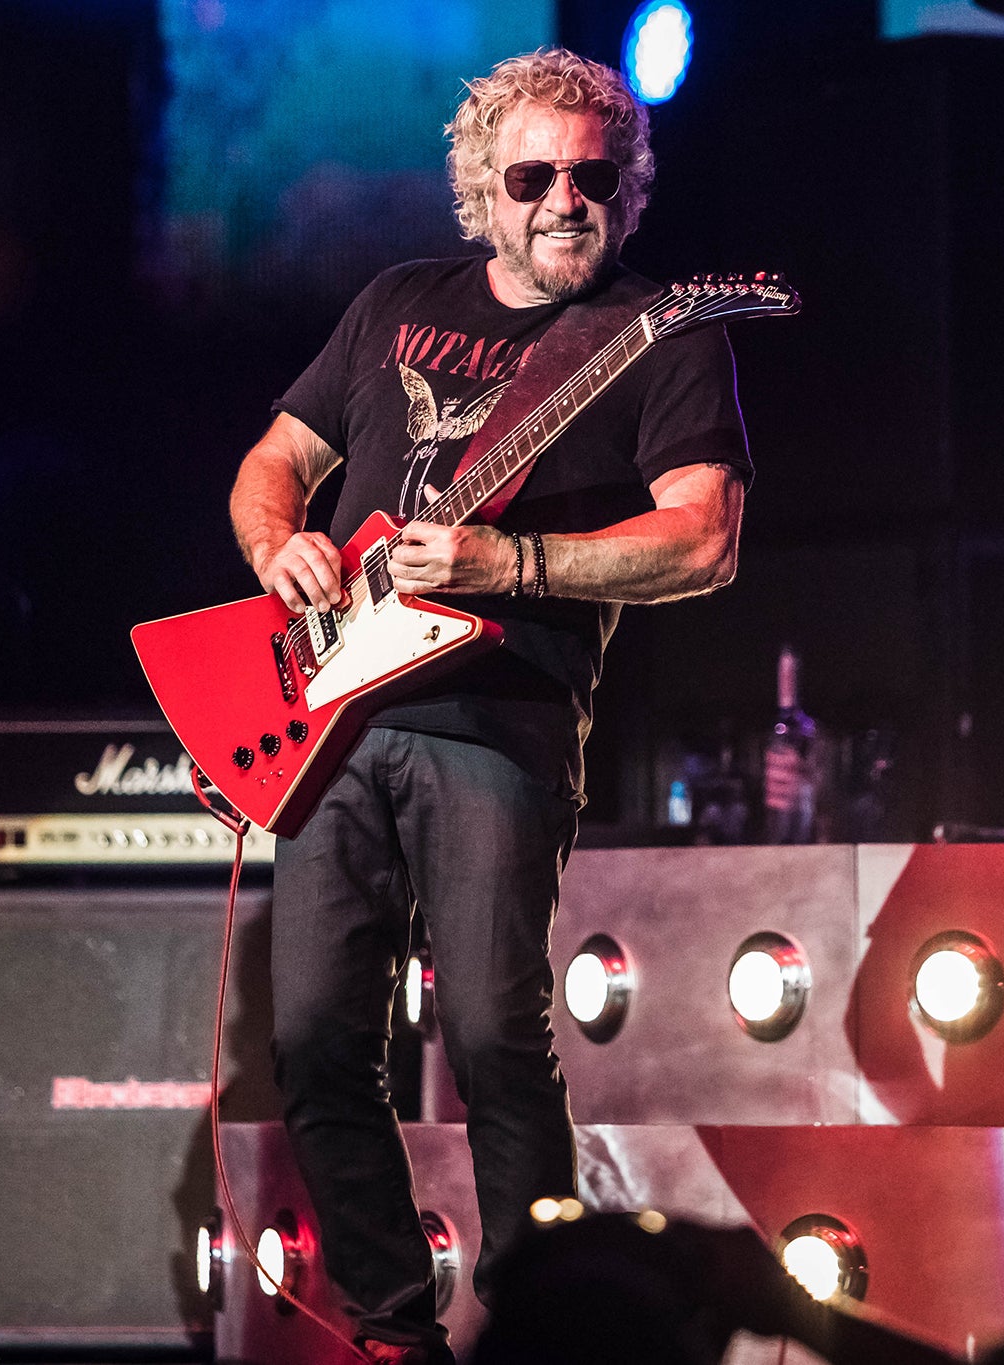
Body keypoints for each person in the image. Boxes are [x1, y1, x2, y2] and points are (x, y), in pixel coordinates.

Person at [225, 47, 752, 1365]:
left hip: (499, 728)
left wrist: (507, 565)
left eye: (593, 177)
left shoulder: (661, 330)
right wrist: (279, 546)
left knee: (490, 1039)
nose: (565, 199)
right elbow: (273, 461)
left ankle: (545, 1335)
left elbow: (703, 539)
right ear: (482, 192)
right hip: (331, 720)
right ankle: (394, 1332)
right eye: (533, 178)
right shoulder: (396, 302)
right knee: (312, 1040)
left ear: (627, 190)